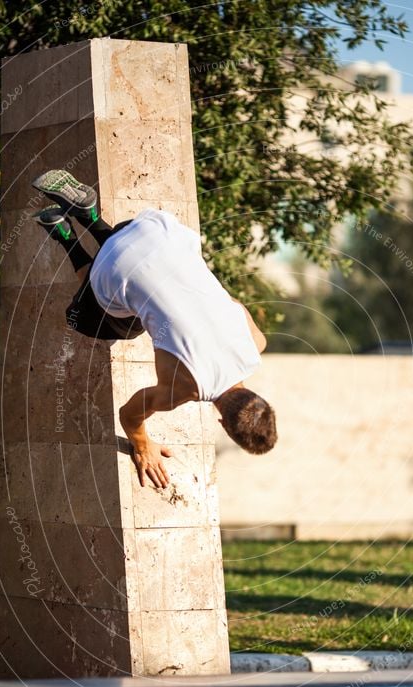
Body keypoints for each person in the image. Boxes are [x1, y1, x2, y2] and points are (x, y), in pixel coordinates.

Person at [32, 169, 277, 489]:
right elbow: (129, 415)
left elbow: (232, 304)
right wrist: (143, 445)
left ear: (259, 396)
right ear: (225, 426)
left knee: (145, 280)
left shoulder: (255, 342)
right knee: (94, 320)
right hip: (115, 264)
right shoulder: (186, 387)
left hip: (157, 231)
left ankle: (89, 213)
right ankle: (64, 234)